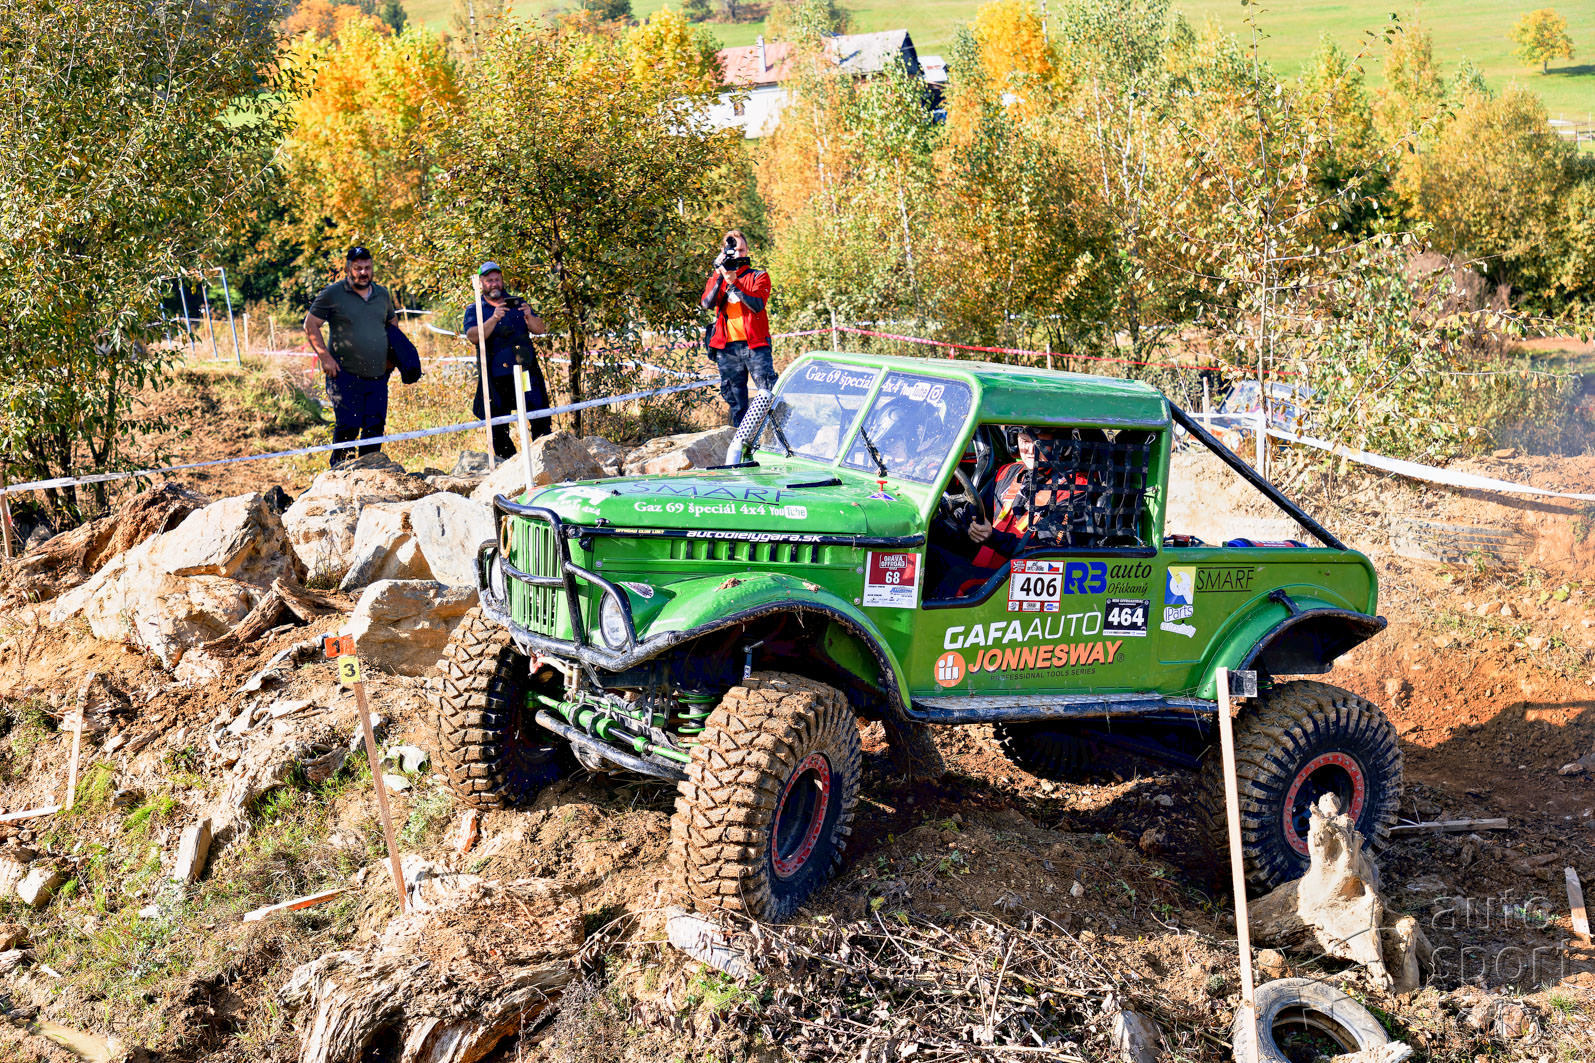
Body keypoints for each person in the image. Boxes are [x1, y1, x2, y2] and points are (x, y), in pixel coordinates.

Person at [928, 425, 1067, 599]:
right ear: (1015, 441)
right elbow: (972, 513)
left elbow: (1049, 554)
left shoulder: (1073, 490)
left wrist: (993, 537)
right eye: (1025, 441)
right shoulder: (1008, 472)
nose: (1031, 450)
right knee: (927, 555)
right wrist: (940, 516)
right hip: (985, 567)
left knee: (953, 579)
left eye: (1040, 443)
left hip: (1019, 580)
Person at [305, 246, 399, 466]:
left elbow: (392, 323)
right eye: (358, 268)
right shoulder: (333, 294)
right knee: (348, 425)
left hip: (377, 375)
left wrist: (393, 357)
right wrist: (325, 357)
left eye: (367, 267)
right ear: (348, 269)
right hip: (343, 374)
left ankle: (370, 470)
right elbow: (310, 324)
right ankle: (340, 471)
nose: (364, 272)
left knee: (375, 426)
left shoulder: (382, 294)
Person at [463, 262, 550, 459]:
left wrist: (529, 316)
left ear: (502, 281)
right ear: (481, 284)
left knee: (539, 417)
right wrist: (494, 318)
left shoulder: (518, 303)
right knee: (498, 427)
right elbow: (473, 336)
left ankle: (542, 460)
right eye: (489, 280)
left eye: (497, 279)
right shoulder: (475, 309)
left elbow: (540, 328)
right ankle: (510, 464)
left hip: (525, 373)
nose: (494, 284)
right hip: (496, 378)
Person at [701, 230, 775, 429]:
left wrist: (734, 282)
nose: (738, 254)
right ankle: (740, 441)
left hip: (756, 345)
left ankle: (774, 437)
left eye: (742, 250)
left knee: (767, 393)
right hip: (727, 349)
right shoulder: (717, 277)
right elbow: (707, 303)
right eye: (733, 250)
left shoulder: (758, 276)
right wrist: (720, 275)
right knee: (736, 400)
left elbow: (757, 305)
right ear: (724, 251)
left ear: (747, 250)